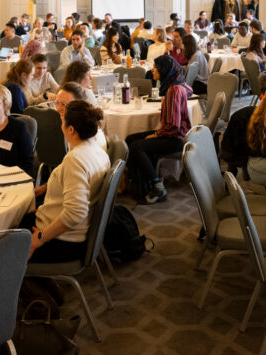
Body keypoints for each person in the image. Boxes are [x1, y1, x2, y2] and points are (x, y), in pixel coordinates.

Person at [25, 100, 110, 262]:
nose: (60, 127)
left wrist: (40, 238)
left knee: (1, 242)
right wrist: (46, 187)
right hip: (73, 232)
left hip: (63, 240)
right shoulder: (98, 151)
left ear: (71, 129)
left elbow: (75, 213)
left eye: (62, 122)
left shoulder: (76, 159)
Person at [126, 55, 192, 204]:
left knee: (137, 147)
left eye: (156, 67)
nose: (152, 70)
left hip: (176, 139)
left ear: (164, 70)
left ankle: (157, 186)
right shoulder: (177, 84)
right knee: (130, 139)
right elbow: (189, 90)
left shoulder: (173, 90)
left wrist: (156, 134)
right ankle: (141, 182)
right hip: (174, 135)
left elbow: (173, 126)